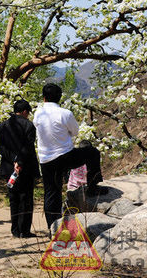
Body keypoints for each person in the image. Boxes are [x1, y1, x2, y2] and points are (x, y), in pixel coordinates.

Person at [33, 83, 105, 228]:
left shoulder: (38, 113)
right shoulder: (65, 113)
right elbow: (75, 132)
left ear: (44, 98)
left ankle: (53, 226)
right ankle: (92, 186)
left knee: (51, 192)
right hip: (65, 156)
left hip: (46, 159)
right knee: (93, 153)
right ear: (60, 98)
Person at [0, 99, 38, 238]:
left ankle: (14, 229)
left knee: (13, 199)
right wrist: (19, 161)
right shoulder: (29, 126)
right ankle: (24, 230)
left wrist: (13, 159)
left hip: (9, 168)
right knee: (26, 198)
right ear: (25, 112)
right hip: (25, 167)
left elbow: (0, 147)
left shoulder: (1, 126)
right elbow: (28, 147)